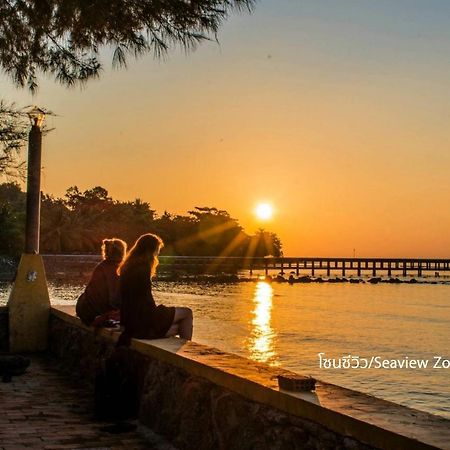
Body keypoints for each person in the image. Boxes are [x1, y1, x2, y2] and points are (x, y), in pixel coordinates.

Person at [117, 233, 193, 346]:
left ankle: (185, 350)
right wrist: (157, 315)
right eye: (157, 249)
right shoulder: (143, 268)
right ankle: (188, 351)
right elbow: (146, 298)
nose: (158, 253)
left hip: (130, 322)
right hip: (143, 319)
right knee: (187, 313)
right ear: (151, 250)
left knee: (178, 327)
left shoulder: (127, 267)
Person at [76, 238, 127, 326]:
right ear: (123, 253)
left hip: (88, 308)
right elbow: (113, 298)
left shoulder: (101, 267)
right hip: (97, 309)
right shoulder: (121, 269)